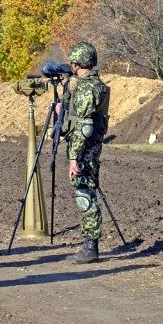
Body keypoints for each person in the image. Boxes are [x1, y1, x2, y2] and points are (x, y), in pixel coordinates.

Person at [61, 41, 110, 264]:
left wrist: (73, 158)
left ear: (76, 63)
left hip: (84, 150)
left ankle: (91, 248)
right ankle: (90, 246)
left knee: (85, 196)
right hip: (91, 147)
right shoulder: (96, 85)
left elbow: (84, 126)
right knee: (86, 193)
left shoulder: (87, 88)